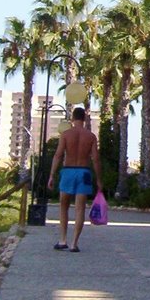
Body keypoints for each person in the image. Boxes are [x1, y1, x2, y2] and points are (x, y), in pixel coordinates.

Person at [47, 106, 102, 252]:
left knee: (63, 206)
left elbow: (58, 155)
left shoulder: (66, 135)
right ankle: (74, 243)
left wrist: (51, 175)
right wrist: (98, 179)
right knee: (80, 209)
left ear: (73, 118)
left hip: (68, 171)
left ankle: (62, 239)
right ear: (84, 119)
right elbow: (96, 159)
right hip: (84, 172)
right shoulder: (91, 137)